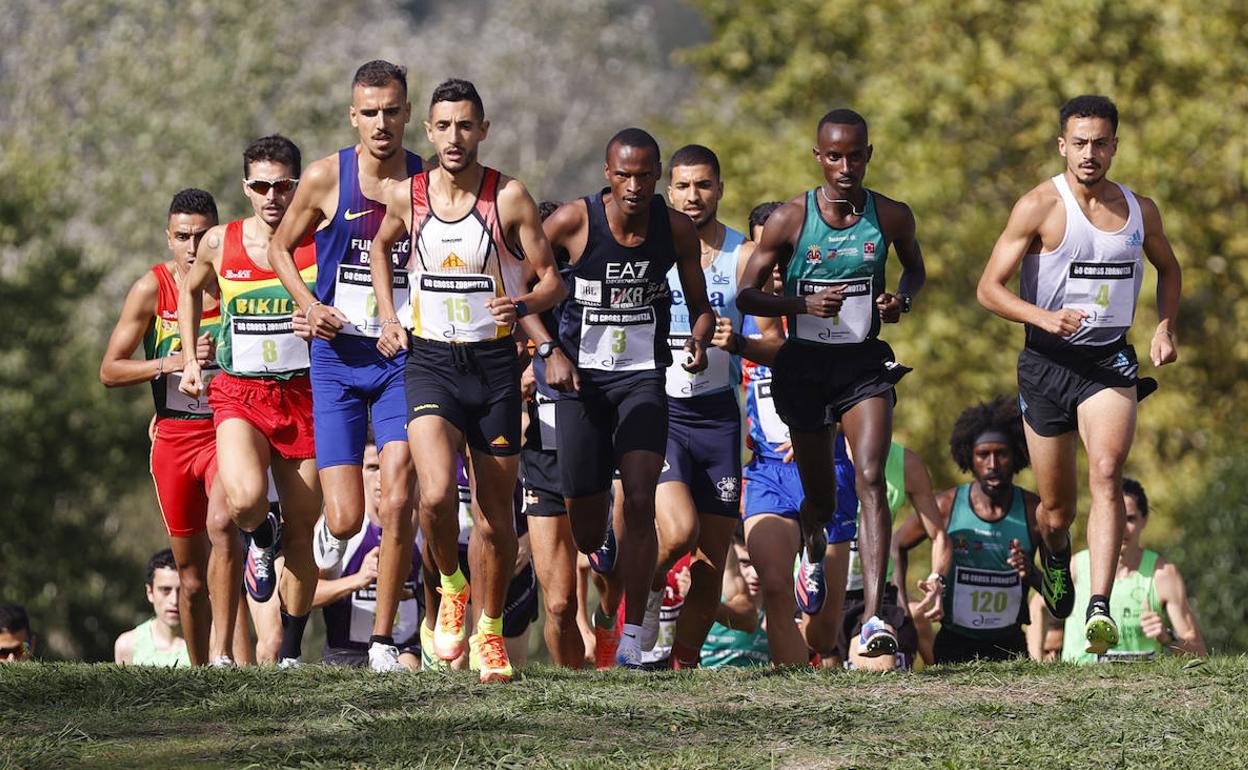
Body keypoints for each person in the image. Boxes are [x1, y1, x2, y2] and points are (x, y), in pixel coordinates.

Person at [369, 78, 566, 683]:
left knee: (494, 518)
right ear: (428, 131)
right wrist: (387, 314)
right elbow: (380, 249)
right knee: (431, 496)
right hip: (431, 360)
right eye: (444, 126)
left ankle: (488, 632)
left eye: (466, 125)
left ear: (483, 130)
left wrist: (525, 300)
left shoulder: (507, 197)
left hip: (495, 367)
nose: (455, 137)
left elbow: (552, 279)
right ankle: (450, 586)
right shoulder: (409, 195)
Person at [977, 95, 1182, 654]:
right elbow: (988, 288)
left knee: (1109, 472)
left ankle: (1098, 608)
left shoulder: (1142, 211)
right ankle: (1058, 553)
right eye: (1080, 142)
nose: (1090, 153)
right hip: (1046, 365)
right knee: (1056, 508)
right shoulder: (1040, 205)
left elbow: (1168, 267)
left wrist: (1164, 326)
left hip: (1108, 361)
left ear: (1115, 144)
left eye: (1101, 142)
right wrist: (1042, 316)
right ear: (1062, 145)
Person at [738, 108, 926, 658]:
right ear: (819, 158)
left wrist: (901, 299)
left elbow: (915, 269)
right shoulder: (791, 220)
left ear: (869, 155)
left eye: (856, 155)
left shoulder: (890, 216)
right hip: (805, 369)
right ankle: (814, 548)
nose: (845, 166)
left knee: (869, 475)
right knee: (820, 500)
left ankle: (870, 619)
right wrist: (802, 302)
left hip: (863, 365)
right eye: (834, 156)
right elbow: (748, 296)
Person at [266, 60, 424, 672]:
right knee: (346, 515)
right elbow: (281, 247)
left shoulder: (428, 182)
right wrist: (310, 305)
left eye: (392, 110)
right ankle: (327, 539)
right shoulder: (328, 176)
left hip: (398, 360)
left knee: (399, 491)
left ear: (408, 113)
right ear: (352, 115)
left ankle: (385, 641)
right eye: (369, 112)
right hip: (335, 360)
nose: (381, 123)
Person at [542, 127, 715, 667]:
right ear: (607, 174)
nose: (635, 186)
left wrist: (701, 338)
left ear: (657, 175)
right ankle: (603, 547)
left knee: (640, 499)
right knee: (588, 525)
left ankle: (635, 634)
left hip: (642, 379)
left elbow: (701, 304)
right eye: (624, 175)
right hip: (581, 386)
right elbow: (515, 283)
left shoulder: (676, 229)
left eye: (644, 175)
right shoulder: (574, 221)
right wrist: (548, 348)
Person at [178, 134, 322, 668]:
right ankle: (262, 532)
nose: (272, 196)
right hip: (240, 391)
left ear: (297, 186)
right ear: (246, 188)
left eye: (283, 185)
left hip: (303, 394)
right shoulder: (221, 242)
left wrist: (320, 322)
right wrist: (193, 360)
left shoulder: (318, 240)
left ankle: (290, 648)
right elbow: (190, 288)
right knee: (241, 500)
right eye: (261, 186)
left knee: (307, 528)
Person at [99, 188, 229, 665]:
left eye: (201, 235)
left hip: (227, 429)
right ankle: (199, 675)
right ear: (168, 238)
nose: (193, 247)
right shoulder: (153, 288)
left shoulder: (236, 280)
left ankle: (226, 657)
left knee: (225, 527)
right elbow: (110, 370)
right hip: (175, 436)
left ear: (217, 233)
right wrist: (168, 362)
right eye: (182, 237)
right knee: (192, 577)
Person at [656, 145, 772, 668]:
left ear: (720, 189)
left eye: (703, 185)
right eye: (682, 186)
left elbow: (774, 340)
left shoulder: (744, 255)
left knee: (710, 557)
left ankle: (681, 664)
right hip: (659, 413)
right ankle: (628, 604)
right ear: (668, 191)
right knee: (678, 532)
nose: (693, 196)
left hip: (719, 418)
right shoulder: (651, 249)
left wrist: (740, 343)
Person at [738, 200, 826, 667]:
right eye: (761, 253)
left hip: (824, 464)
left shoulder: (817, 312)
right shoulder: (741, 318)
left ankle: (815, 550)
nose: (772, 267)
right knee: (773, 583)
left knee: (823, 631)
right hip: (768, 469)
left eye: (781, 255)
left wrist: (820, 430)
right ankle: (789, 696)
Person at [898, 396, 1042, 663]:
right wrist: (900, 606)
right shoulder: (946, 506)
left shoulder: (1036, 512)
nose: (992, 464)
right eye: (983, 454)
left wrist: (1032, 574)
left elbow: (1063, 601)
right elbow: (896, 545)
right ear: (968, 456)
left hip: (1010, 647)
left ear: (1018, 454)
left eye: (1001, 454)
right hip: (953, 646)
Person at [520, 200, 592, 668]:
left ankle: (607, 632)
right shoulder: (509, 314)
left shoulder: (589, 303)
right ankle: (571, 690)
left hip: (594, 458)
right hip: (540, 461)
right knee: (561, 604)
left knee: (608, 573)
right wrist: (518, 380)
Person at [828, 439, 948, 671]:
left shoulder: (906, 463)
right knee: (804, 690)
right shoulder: (811, 445)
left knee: (880, 679)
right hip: (819, 591)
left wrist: (936, 579)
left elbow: (939, 536)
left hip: (873, 594)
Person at [1060, 478, 1207, 662]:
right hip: (1081, 684)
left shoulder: (1162, 574)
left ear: (1144, 520)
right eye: (1113, 519)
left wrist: (1168, 637)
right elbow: (1038, 609)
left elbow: (1199, 651)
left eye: (1129, 518)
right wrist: (1036, 659)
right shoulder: (1076, 567)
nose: (1120, 529)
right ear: (1099, 521)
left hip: (1142, 687)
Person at [314, 439, 422, 669]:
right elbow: (305, 596)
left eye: (390, 465)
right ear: (357, 473)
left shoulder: (419, 525)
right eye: (373, 467)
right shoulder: (341, 528)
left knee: (410, 666)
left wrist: (409, 591)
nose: (384, 477)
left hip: (402, 651)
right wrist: (358, 580)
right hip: (344, 654)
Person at [701, 529, 770, 668]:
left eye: (759, 564)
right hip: (710, 684)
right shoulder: (705, 596)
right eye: (744, 563)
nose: (755, 574)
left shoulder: (780, 604)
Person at [115, 549, 192, 666]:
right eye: (165, 590)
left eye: (182, 591)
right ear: (150, 592)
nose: (174, 600)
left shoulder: (211, 644)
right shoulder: (127, 646)